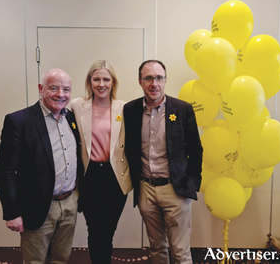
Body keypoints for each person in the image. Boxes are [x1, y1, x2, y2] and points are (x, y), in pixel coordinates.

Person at [0, 68, 83, 264]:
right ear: (40, 89)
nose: (61, 94)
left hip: (69, 202)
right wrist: (12, 212)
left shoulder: (71, 118)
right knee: (35, 260)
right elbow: (5, 171)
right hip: (37, 205)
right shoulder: (19, 121)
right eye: (54, 88)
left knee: (61, 257)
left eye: (66, 89)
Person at [123, 60, 203, 264]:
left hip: (175, 189)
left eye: (158, 78)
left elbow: (195, 149)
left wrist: (192, 183)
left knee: (180, 251)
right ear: (140, 81)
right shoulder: (130, 110)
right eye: (148, 78)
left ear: (165, 80)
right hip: (146, 190)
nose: (154, 83)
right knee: (156, 247)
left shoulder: (182, 109)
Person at [71, 60, 132, 264]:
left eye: (106, 79)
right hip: (90, 177)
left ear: (113, 82)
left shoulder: (124, 108)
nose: (101, 84)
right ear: (90, 81)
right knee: (95, 230)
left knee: (107, 230)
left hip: (114, 177)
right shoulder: (78, 105)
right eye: (96, 79)